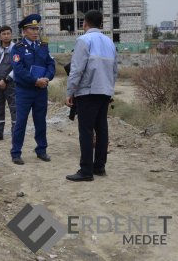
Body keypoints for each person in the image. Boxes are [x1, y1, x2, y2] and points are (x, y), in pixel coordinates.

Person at [65, 10, 118, 182]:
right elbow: (115, 70)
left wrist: (70, 92)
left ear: (84, 24)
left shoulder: (83, 40)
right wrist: (110, 89)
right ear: (101, 24)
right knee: (102, 129)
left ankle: (86, 170)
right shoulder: (109, 42)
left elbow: (77, 69)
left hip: (88, 92)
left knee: (86, 131)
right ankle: (99, 167)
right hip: (105, 91)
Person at [10, 14, 55, 165]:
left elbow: (51, 65)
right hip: (25, 92)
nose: (36, 32)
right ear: (24, 31)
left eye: (37, 29)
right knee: (21, 122)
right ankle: (16, 152)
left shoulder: (43, 46)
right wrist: (35, 81)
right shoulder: (18, 49)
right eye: (32, 29)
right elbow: (19, 70)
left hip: (41, 91)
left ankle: (41, 150)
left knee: (40, 122)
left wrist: (47, 78)